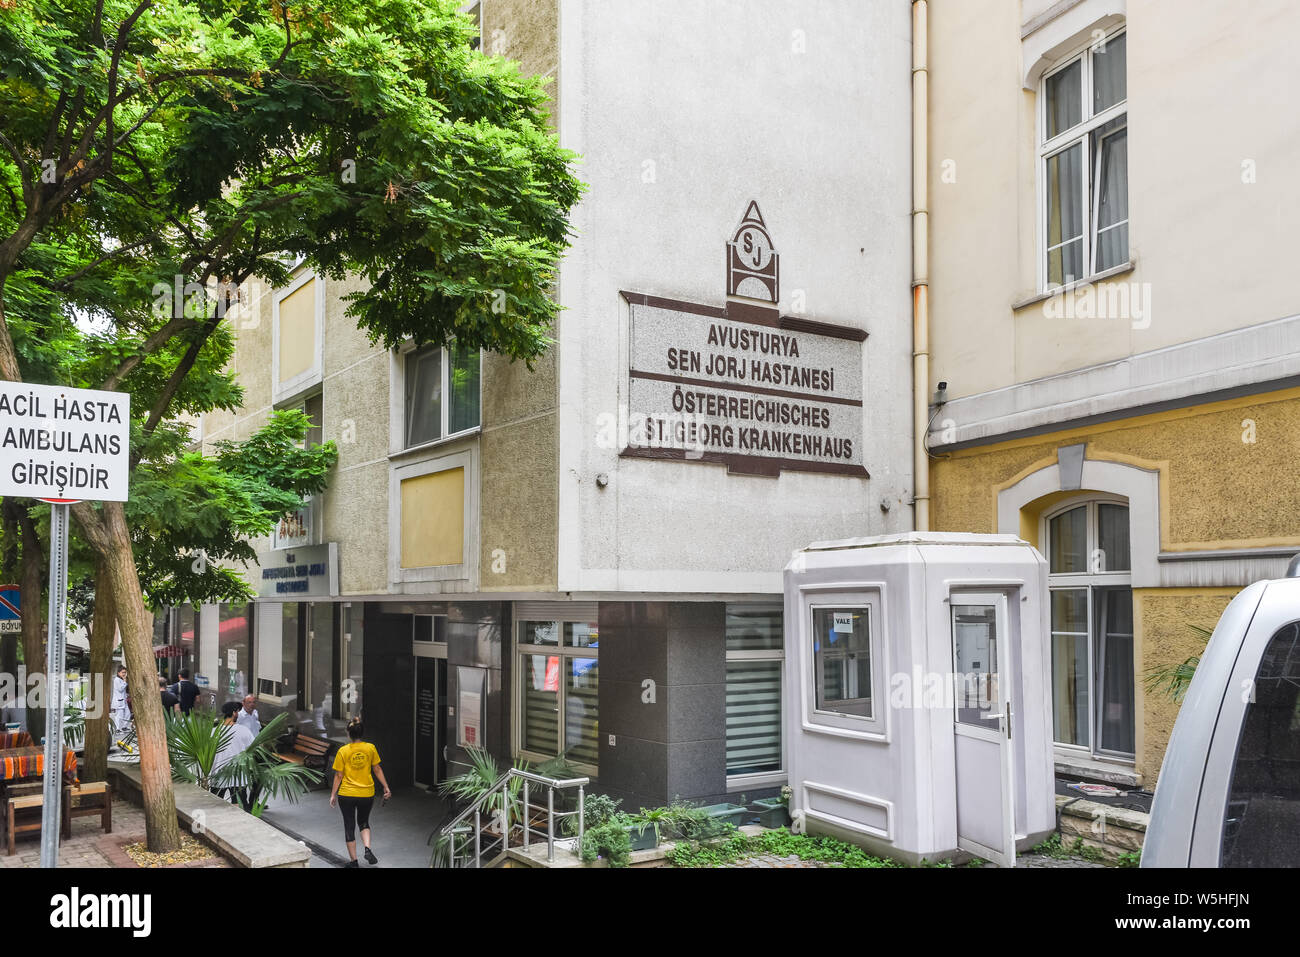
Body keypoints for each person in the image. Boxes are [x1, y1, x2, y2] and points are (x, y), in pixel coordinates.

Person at [329, 719, 391, 867]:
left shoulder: (343, 751)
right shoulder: (370, 748)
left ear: (348, 734)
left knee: (349, 825)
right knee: (364, 822)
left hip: (347, 794)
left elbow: (339, 775)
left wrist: (333, 794)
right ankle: (367, 849)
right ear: (362, 733)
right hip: (366, 793)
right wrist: (386, 787)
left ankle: (354, 862)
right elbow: (377, 769)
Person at [109, 665, 129, 735]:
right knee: (119, 716)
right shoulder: (117, 680)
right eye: (122, 672)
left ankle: (124, 727)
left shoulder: (120, 679)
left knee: (127, 714)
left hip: (123, 700)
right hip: (119, 700)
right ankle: (117, 729)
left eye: (125, 672)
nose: (124, 674)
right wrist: (124, 681)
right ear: (118, 673)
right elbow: (120, 689)